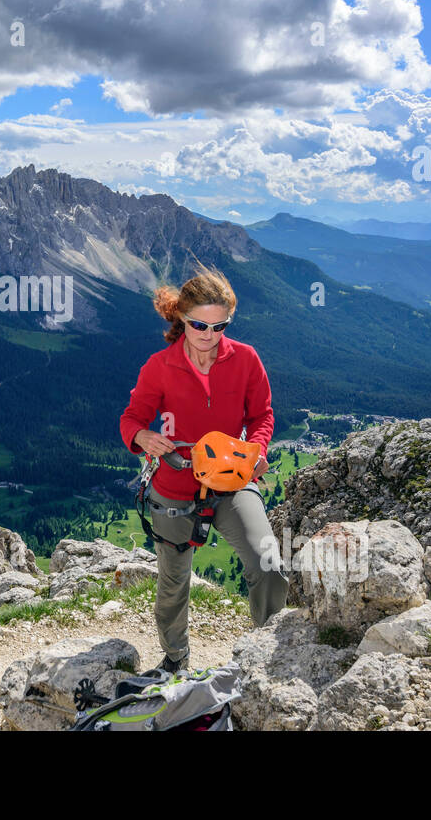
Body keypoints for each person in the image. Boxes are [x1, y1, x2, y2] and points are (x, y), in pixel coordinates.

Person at [119, 262, 289, 674]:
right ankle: (176, 658)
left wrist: (256, 447)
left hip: (232, 480)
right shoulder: (160, 367)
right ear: (181, 318)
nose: (210, 337)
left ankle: (263, 656)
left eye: (220, 327)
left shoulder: (246, 360)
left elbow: (262, 415)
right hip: (175, 485)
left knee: (269, 564)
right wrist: (142, 438)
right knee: (173, 584)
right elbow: (132, 418)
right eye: (199, 326)